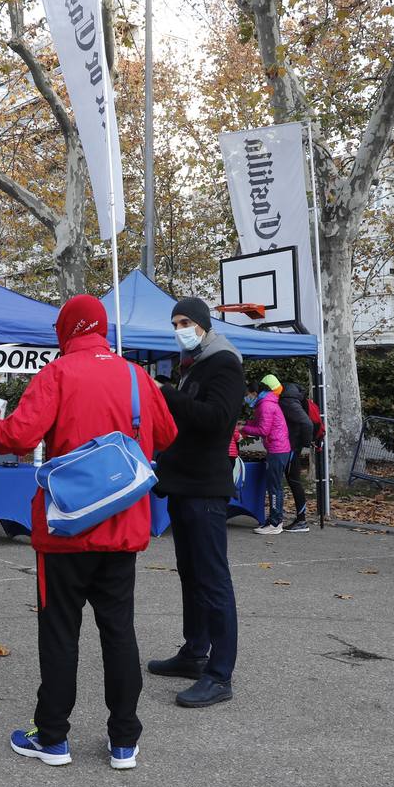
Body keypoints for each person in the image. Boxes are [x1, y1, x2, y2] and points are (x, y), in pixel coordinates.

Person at [0, 295, 176, 770]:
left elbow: (20, 436)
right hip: (123, 526)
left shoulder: (58, 373)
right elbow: (167, 434)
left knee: (60, 634)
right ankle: (124, 740)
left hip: (65, 528)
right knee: (120, 633)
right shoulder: (137, 376)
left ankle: (53, 738)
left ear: (68, 329)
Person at [149, 297, 245, 709]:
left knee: (212, 579)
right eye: (175, 322)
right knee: (191, 574)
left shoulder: (223, 363)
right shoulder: (192, 365)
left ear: (203, 324)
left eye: (186, 321)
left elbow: (215, 419)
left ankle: (220, 673)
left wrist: (166, 394)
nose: (180, 328)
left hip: (205, 489)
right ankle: (194, 652)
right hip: (184, 485)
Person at [241, 378, 292, 536]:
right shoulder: (265, 403)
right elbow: (259, 423)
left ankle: (276, 523)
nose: (247, 397)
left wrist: (244, 428)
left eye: (248, 394)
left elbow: (263, 430)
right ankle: (274, 520)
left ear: (255, 393)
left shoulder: (266, 405)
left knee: (274, 487)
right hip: (277, 448)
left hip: (278, 450)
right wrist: (246, 423)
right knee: (274, 486)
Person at [278, 380, 315, 532]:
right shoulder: (293, 396)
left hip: (293, 446)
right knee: (293, 480)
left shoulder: (287, 400)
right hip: (294, 444)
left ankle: (301, 520)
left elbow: (306, 423)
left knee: (294, 481)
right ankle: (301, 519)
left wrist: (303, 443)